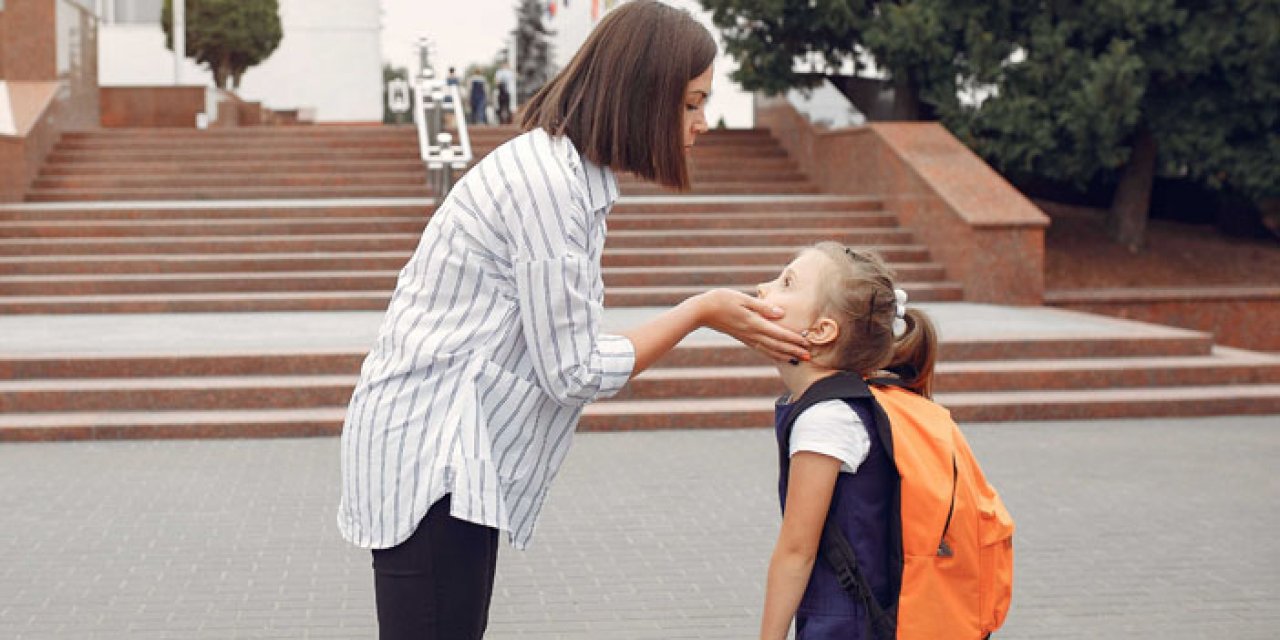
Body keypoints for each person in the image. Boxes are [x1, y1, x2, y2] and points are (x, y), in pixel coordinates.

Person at [337, 2, 811, 639]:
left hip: (450, 454)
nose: (703, 123)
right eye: (692, 103)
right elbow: (575, 369)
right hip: (433, 456)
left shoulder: (568, 177)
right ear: (644, 97)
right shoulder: (549, 188)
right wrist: (699, 312)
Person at [756, 243, 938, 640]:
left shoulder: (826, 420)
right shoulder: (845, 403)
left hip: (845, 625)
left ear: (820, 331)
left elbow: (795, 553)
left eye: (786, 283)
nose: (762, 289)